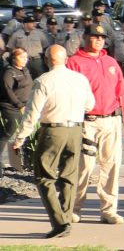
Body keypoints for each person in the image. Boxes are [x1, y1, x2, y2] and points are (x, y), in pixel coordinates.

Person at [10, 45, 92, 238]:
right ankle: (66, 216)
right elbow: (90, 104)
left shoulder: (43, 81)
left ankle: (59, 222)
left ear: (47, 59)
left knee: (44, 176)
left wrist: (20, 137)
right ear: (65, 59)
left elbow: (32, 114)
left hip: (53, 130)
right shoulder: (80, 79)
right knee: (69, 176)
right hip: (76, 129)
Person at [66, 24, 124, 224]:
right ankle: (74, 208)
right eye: (94, 37)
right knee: (83, 166)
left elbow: (122, 90)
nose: (98, 40)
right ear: (85, 38)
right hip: (87, 121)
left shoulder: (110, 61)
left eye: (102, 37)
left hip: (111, 120)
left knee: (111, 165)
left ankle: (109, 209)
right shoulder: (74, 62)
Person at [3, 47, 30, 173]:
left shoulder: (25, 70)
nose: (25, 60)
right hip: (11, 107)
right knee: (8, 134)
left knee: (21, 134)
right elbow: (8, 91)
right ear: (14, 58)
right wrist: (19, 105)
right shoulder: (9, 72)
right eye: (22, 57)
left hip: (26, 106)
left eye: (26, 57)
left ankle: (17, 165)